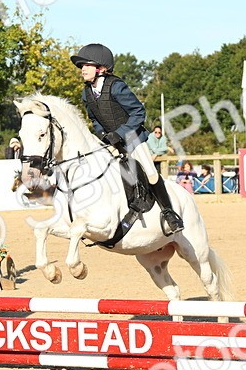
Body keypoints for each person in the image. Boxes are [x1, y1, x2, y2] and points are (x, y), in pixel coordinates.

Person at [73, 42, 183, 234]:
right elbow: (94, 119)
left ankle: (169, 213)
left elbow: (139, 112)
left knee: (149, 172)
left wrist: (120, 133)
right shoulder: (86, 93)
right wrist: (102, 135)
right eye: (82, 66)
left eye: (87, 65)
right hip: (110, 140)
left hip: (133, 137)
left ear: (101, 68)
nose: (83, 69)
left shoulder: (116, 86)